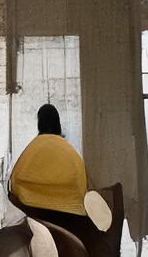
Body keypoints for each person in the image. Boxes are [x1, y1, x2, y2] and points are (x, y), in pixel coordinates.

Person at [7, 103, 111, 245]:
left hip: (33, 211)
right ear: (58, 124)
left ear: (39, 124)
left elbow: (14, 185)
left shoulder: (31, 150)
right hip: (69, 216)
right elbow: (83, 187)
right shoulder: (70, 152)